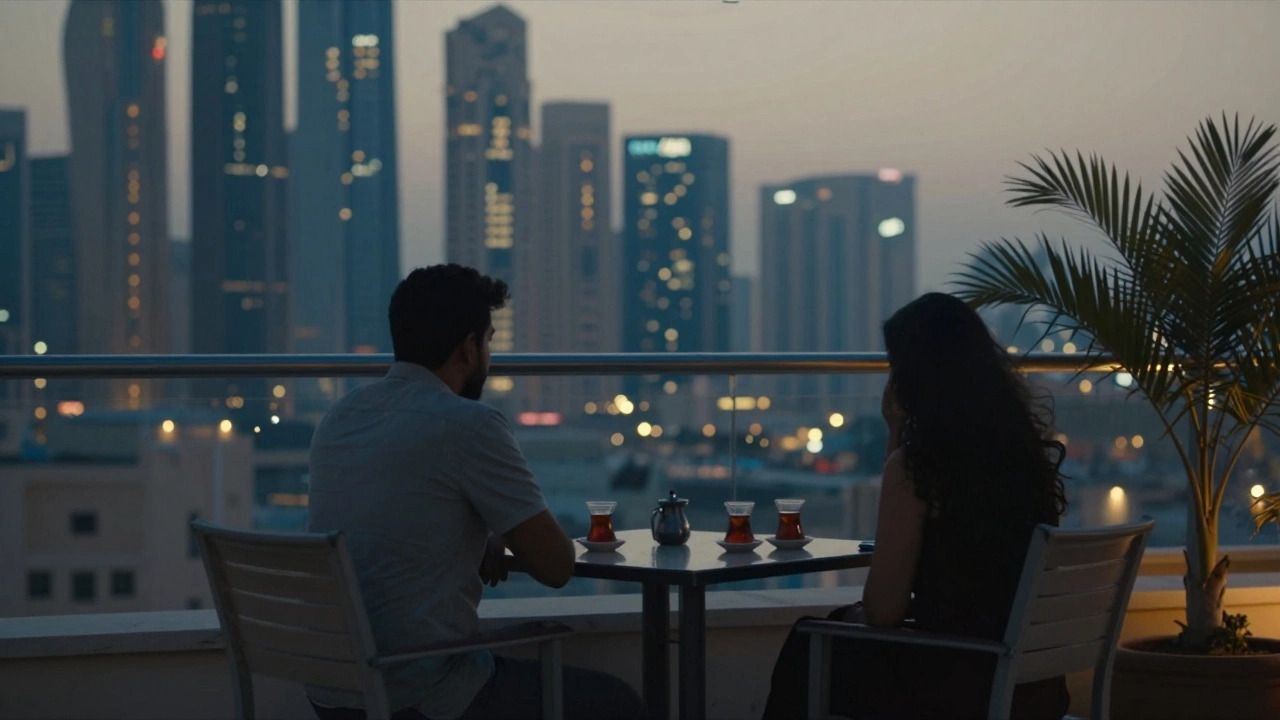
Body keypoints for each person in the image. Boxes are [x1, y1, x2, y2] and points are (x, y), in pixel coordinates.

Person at [306, 264, 644, 720]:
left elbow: (394, 524)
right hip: (423, 694)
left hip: (332, 692)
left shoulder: (340, 418)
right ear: (469, 347)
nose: (489, 356)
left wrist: (480, 534)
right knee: (617, 704)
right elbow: (556, 565)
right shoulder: (469, 426)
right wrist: (502, 530)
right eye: (488, 342)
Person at [761, 292, 1072, 720]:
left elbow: (884, 612)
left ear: (915, 377)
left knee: (809, 642)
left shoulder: (920, 467)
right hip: (1034, 689)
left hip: (957, 686)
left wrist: (899, 448)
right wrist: (897, 437)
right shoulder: (1023, 458)